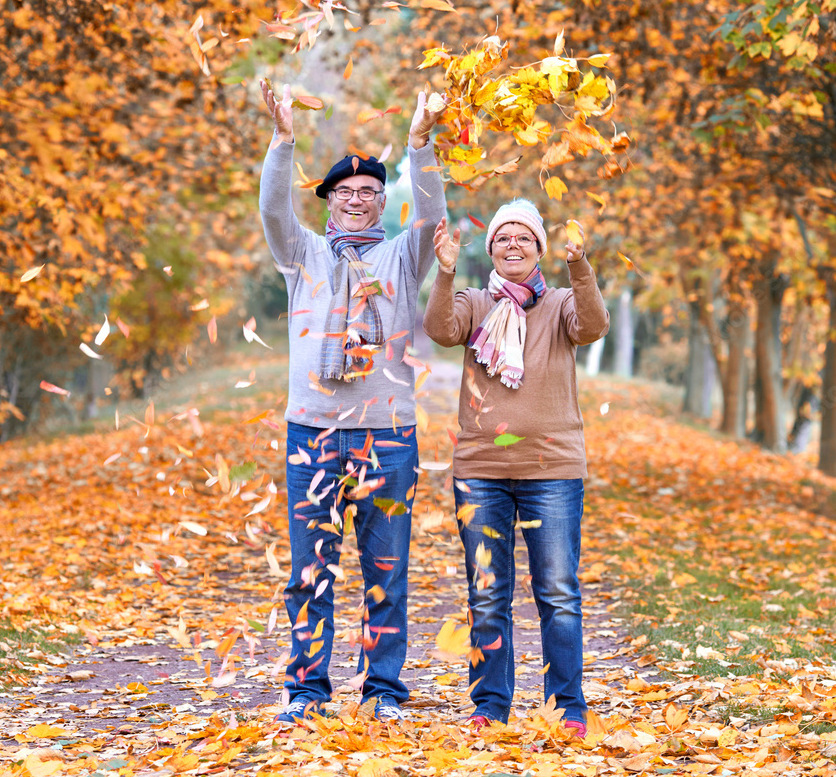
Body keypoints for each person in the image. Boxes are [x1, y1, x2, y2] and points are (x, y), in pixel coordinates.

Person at [259, 80, 447, 725]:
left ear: (380, 200)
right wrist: (283, 141)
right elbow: (274, 212)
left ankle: (383, 693)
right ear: (330, 202)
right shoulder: (302, 255)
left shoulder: (402, 257)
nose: (359, 201)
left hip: (387, 435)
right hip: (311, 431)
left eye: (370, 192)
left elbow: (431, 215)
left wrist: (419, 143)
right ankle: (307, 691)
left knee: (385, 570)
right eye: (346, 193)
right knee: (309, 570)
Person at [422, 199, 609, 734]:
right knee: (487, 594)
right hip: (480, 469)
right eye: (502, 236)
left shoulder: (563, 305)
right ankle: (490, 707)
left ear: (539, 249)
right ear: (492, 249)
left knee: (557, 592)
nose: (511, 244)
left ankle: (567, 708)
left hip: (553, 470)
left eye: (523, 237)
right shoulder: (474, 302)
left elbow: (593, 326)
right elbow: (439, 328)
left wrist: (580, 265)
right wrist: (445, 268)